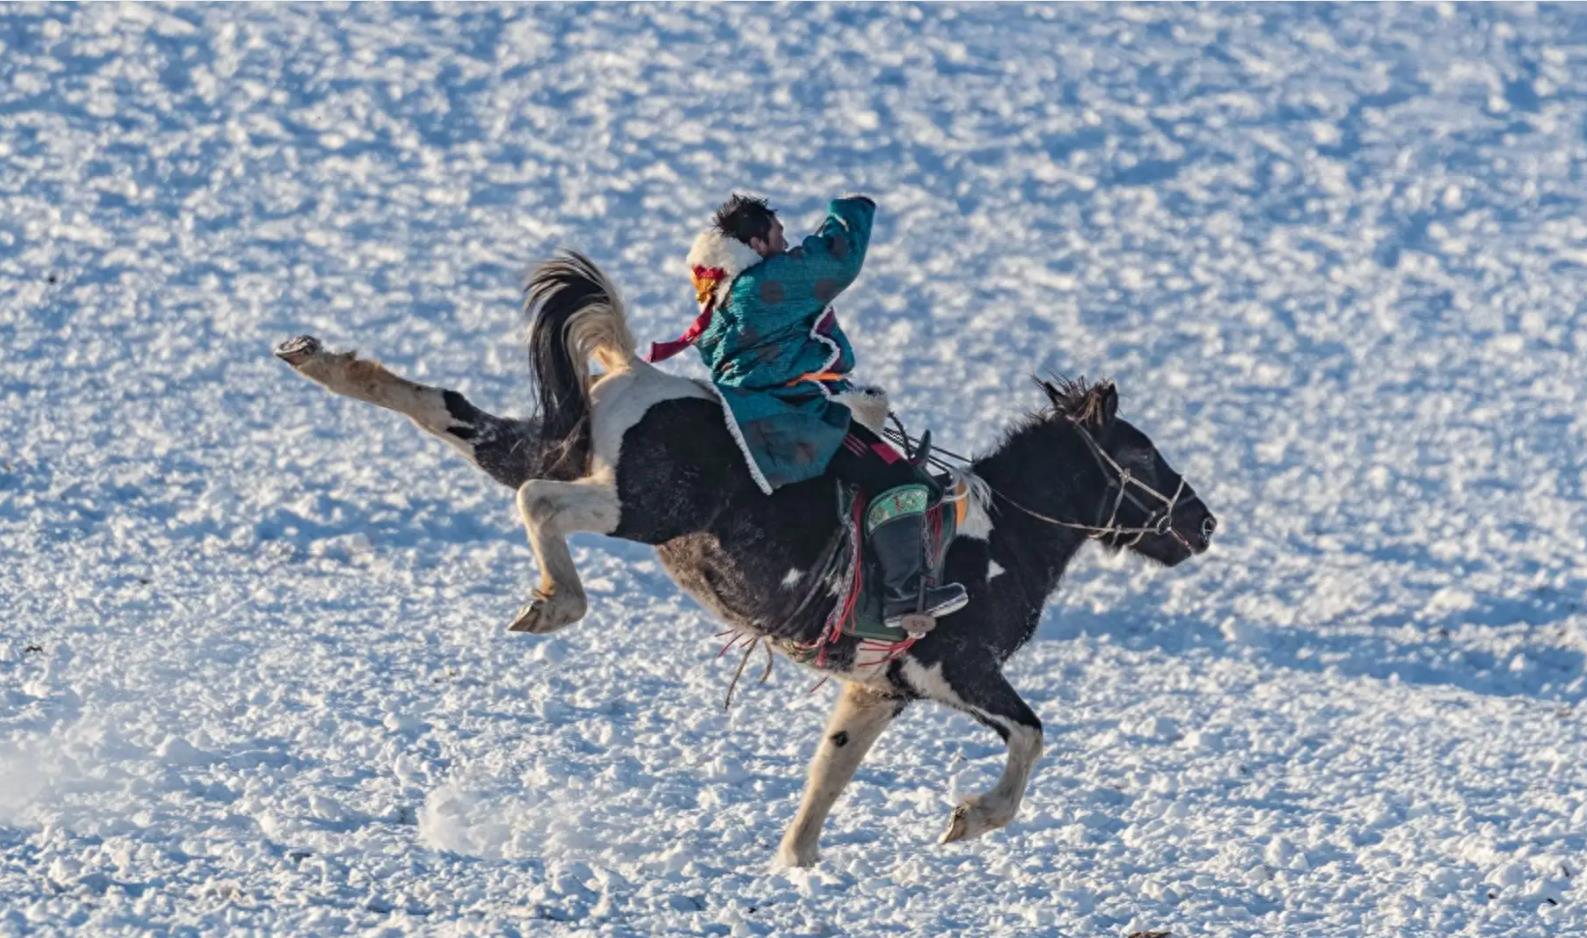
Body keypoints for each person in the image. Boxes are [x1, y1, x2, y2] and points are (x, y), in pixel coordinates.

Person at [648, 193, 967, 627]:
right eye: (778, 236)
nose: (786, 244)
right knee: (897, 478)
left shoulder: (718, 305)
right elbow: (837, 263)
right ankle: (906, 595)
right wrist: (851, 210)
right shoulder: (762, 286)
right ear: (756, 244)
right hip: (792, 421)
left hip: (755, 417)